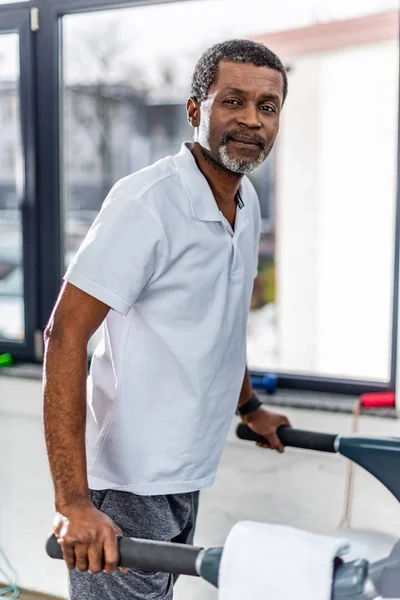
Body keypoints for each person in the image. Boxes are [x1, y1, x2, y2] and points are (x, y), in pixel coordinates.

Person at [43, 38, 290, 600]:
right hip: (126, 484)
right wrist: (73, 502)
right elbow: (65, 336)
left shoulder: (245, 204)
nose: (251, 120)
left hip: (186, 470)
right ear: (196, 108)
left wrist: (249, 408)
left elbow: (220, 326)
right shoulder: (146, 202)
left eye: (267, 106)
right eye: (233, 101)